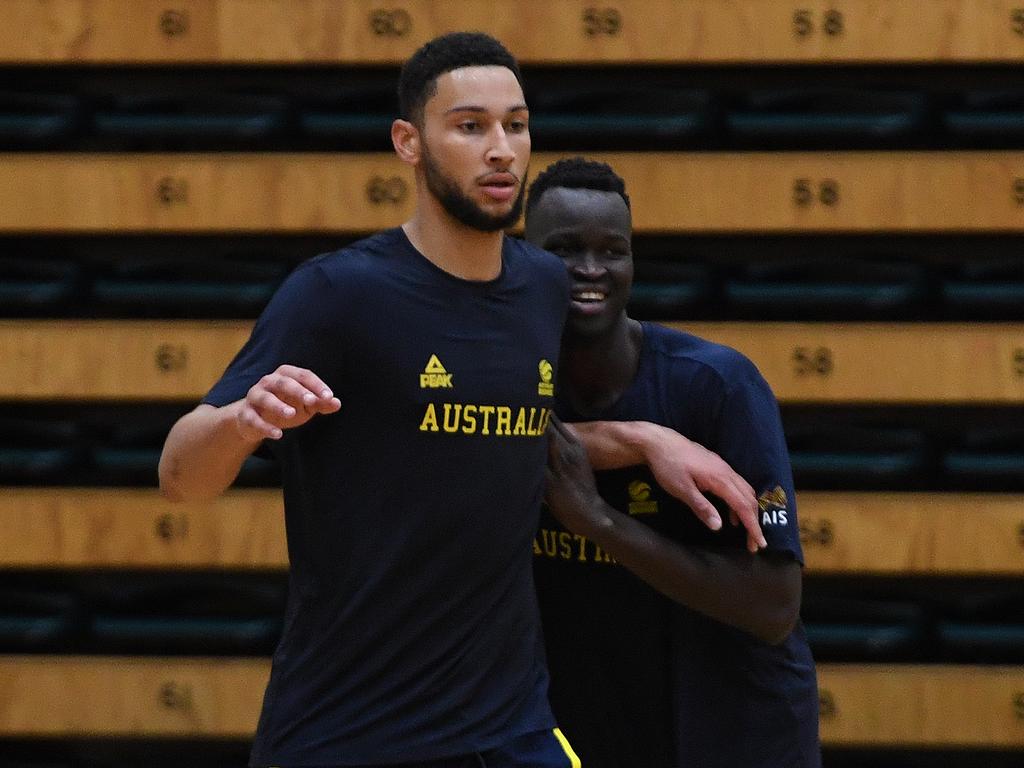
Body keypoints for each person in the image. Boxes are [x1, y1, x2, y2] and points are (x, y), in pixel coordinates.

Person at [158, 34, 762, 768]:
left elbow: (493, 430)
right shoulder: (338, 294)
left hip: (510, 729)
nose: (502, 149)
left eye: (516, 123)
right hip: (349, 732)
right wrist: (242, 421)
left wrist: (640, 439)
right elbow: (181, 478)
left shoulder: (542, 287)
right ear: (409, 142)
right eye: (471, 126)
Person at [526, 157, 821, 768]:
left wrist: (601, 524)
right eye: (563, 250)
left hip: (734, 732)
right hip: (588, 725)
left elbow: (773, 606)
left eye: (613, 251)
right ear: (520, 259)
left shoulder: (719, 387)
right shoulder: (507, 380)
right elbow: (481, 443)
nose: (590, 270)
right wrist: (639, 440)